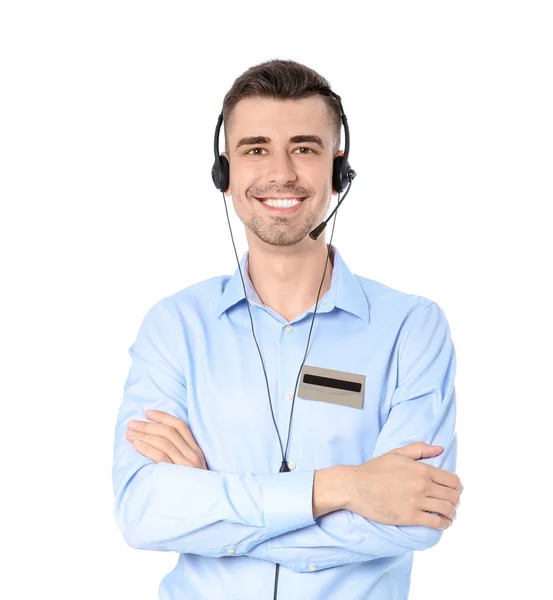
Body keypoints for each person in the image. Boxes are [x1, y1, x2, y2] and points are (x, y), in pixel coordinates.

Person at [112, 58, 463, 600]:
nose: (281, 173)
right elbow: (143, 513)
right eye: (256, 149)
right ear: (224, 171)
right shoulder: (175, 326)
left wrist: (212, 507)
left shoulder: (412, 329)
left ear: (337, 168)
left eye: (304, 147)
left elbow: (413, 519)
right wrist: (342, 487)